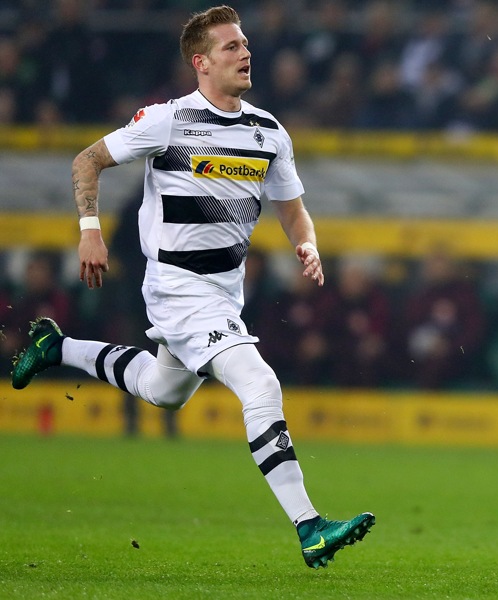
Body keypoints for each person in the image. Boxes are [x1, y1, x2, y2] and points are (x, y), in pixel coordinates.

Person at [9, 5, 374, 569]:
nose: (245, 53)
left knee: (163, 389)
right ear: (201, 63)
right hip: (178, 286)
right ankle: (311, 526)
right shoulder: (168, 120)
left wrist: (308, 243)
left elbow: (294, 211)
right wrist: (89, 231)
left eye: (245, 43)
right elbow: (87, 161)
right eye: (231, 47)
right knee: (260, 383)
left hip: (224, 293)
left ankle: (57, 347)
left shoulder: (269, 132)